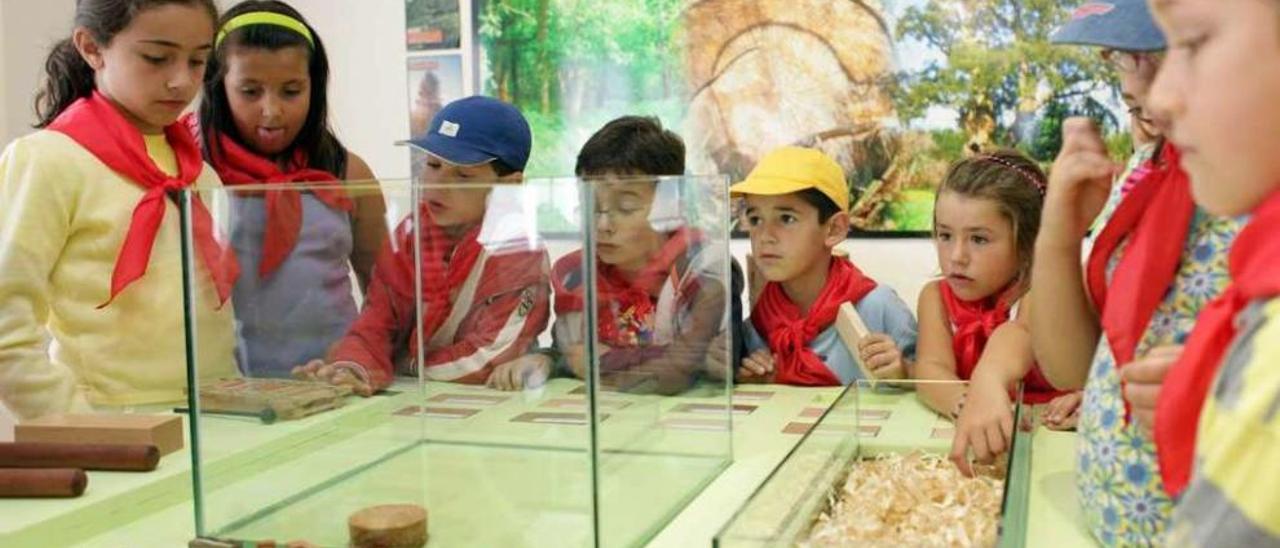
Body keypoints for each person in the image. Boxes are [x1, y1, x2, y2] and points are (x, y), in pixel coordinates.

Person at [0, 0, 238, 420]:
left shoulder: (199, 174)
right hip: (110, 427)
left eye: (198, 61)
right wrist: (80, 423)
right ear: (92, 47)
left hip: (219, 421)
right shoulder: (49, 161)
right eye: (156, 58)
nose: (181, 81)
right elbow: (6, 327)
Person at [293, 96, 550, 394]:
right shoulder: (411, 233)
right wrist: (351, 368)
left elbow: (487, 358)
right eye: (433, 165)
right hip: (419, 401)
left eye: (463, 175)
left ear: (509, 186)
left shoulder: (517, 249)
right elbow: (376, 324)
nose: (436, 184)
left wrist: (399, 364)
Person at [193, 0, 387, 377]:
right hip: (224, 393)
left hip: (334, 382)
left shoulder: (346, 171)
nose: (272, 110)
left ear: (315, 85)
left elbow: (386, 295)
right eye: (250, 91)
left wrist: (361, 358)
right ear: (218, 87)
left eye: (292, 91)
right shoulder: (193, 173)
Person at [734, 146, 917, 386]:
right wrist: (756, 382)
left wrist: (905, 371)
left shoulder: (879, 308)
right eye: (755, 219)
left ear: (834, 229)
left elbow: (937, 385)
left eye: (786, 218)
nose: (765, 236)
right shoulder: (756, 328)